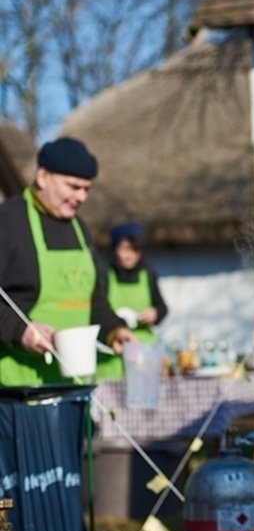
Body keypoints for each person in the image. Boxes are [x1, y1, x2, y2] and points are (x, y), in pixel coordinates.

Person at [0, 137, 134, 385]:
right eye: (73, 187)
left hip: (74, 384)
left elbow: (94, 302)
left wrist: (114, 330)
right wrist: (20, 330)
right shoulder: (7, 222)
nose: (81, 197)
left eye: (86, 189)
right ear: (43, 177)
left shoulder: (79, 229)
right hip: (16, 387)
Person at [95, 221, 168, 380]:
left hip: (142, 354)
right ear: (114, 249)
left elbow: (162, 308)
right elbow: (97, 309)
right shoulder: (104, 274)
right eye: (124, 249)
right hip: (113, 354)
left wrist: (154, 313)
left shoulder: (147, 273)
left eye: (135, 250)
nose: (129, 255)